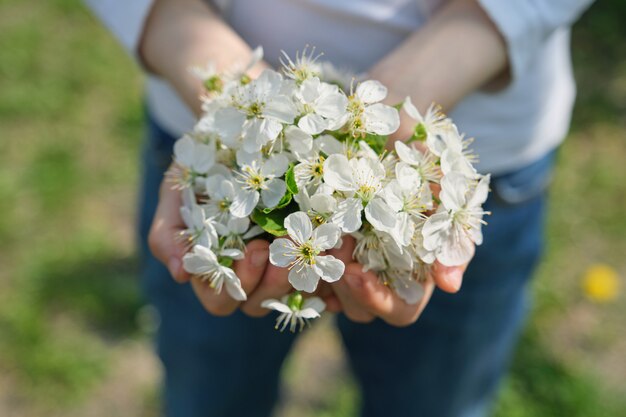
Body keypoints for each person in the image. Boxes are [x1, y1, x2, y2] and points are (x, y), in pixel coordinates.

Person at [86, 1, 595, 416]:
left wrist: (479, 30)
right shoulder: (235, 154)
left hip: (476, 156)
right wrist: (185, 36)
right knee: (209, 396)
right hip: (215, 148)